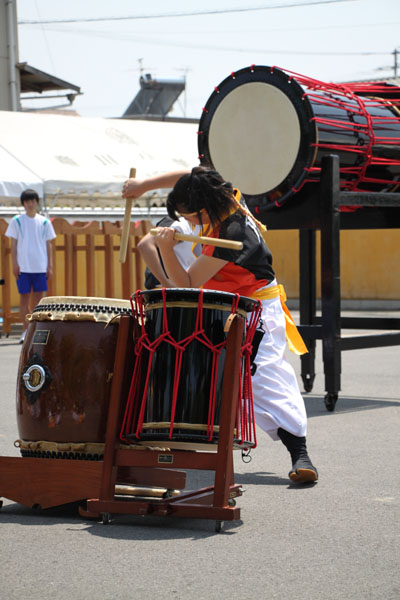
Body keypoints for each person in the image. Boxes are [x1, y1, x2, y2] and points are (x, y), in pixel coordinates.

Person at [122, 166, 318, 484]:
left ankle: (300, 452)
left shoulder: (232, 234)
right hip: (226, 305)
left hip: (257, 310)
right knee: (205, 375)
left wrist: (165, 251)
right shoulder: (224, 198)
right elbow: (192, 176)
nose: (193, 223)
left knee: (265, 378)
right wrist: (144, 185)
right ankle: (179, 449)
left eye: (193, 217)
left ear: (204, 207)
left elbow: (186, 282)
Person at [5, 189, 56, 344]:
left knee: (38, 301)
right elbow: (13, 245)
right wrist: (15, 263)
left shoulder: (45, 221)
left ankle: (36, 330)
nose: (30, 204)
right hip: (23, 267)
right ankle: (25, 331)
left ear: (36, 202)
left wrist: (50, 265)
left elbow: (49, 245)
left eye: (32, 201)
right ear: (23, 203)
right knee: (24, 299)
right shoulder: (17, 221)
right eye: (27, 201)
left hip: (40, 266)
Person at [139, 215, 201, 289]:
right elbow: (145, 244)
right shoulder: (177, 223)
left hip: (184, 287)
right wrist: (166, 283)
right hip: (164, 288)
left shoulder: (206, 228)